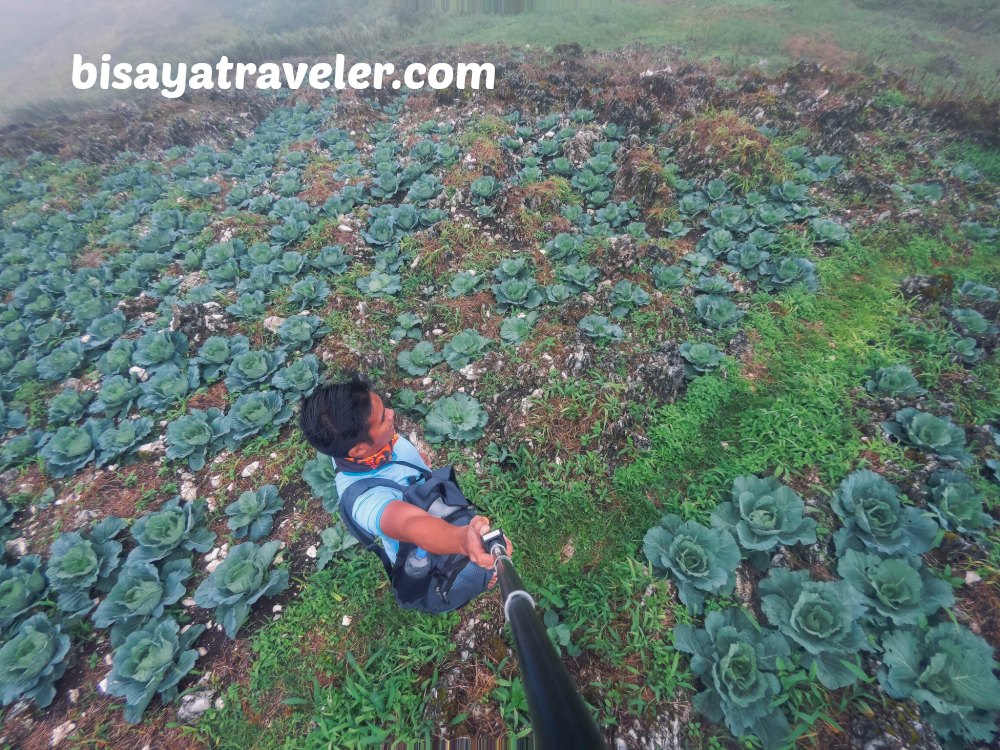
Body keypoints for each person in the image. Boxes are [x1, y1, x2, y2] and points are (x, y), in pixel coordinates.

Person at [298, 373, 512, 612]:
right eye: (382, 419)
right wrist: (462, 539)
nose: (391, 414)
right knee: (453, 572)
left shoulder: (362, 447)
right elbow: (412, 523)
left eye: (384, 407)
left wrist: (416, 463)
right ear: (359, 450)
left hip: (430, 504)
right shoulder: (365, 501)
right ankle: (469, 586)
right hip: (419, 546)